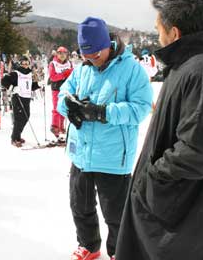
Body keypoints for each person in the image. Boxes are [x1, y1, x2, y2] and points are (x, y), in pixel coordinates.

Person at [116, 0, 203, 260]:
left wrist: (154, 177)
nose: (158, 37)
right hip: (188, 219)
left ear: (175, 33)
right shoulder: (194, 64)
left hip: (183, 224)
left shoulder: (201, 71)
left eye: (159, 29)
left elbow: (202, 149)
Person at [57, 17, 153, 260]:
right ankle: (89, 245)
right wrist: (72, 108)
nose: (91, 59)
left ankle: (118, 251)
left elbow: (141, 108)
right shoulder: (82, 69)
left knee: (116, 213)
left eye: (95, 53)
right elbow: (63, 96)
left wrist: (103, 112)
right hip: (81, 155)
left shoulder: (131, 69)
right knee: (80, 206)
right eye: (85, 54)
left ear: (108, 44)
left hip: (112, 157)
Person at [1, 56, 40, 147]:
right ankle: (14, 138)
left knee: (26, 116)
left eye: (27, 64)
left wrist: (38, 85)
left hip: (26, 97)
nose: (25, 65)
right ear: (20, 63)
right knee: (18, 118)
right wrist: (12, 87)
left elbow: (30, 87)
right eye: (23, 63)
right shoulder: (16, 73)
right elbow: (4, 81)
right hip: (18, 97)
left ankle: (17, 135)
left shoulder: (30, 74)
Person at [48, 46, 73, 139]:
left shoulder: (69, 63)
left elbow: (72, 75)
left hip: (66, 88)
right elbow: (52, 77)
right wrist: (64, 74)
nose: (62, 55)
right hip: (56, 88)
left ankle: (61, 126)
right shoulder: (53, 64)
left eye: (64, 53)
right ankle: (55, 126)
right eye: (60, 53)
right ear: (57, 54)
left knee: (64, 107)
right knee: (56, 108)